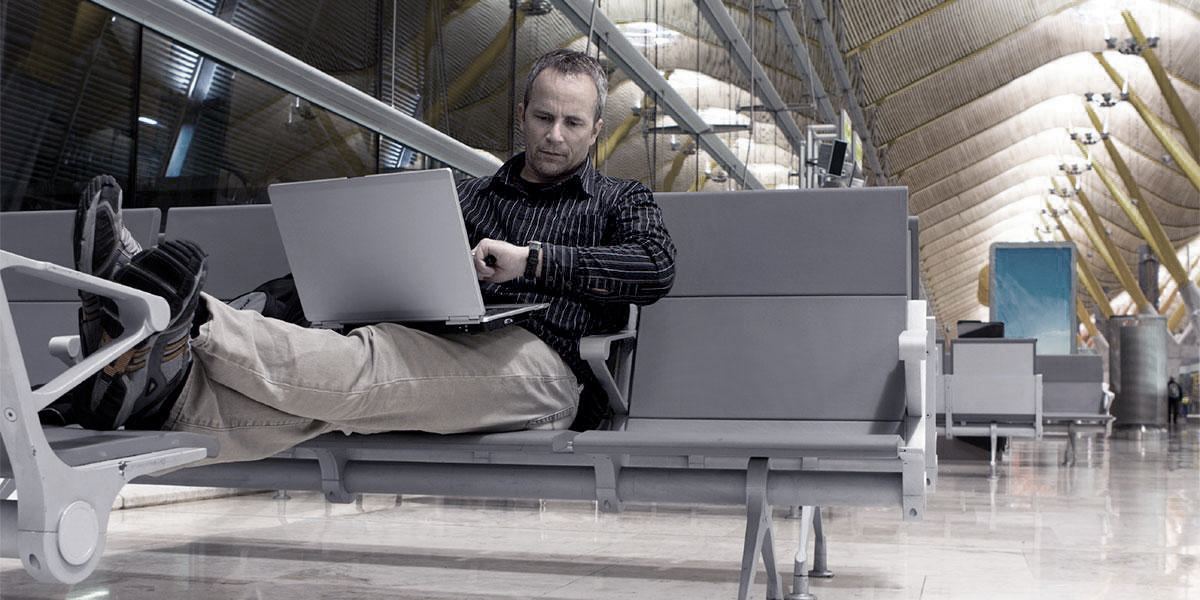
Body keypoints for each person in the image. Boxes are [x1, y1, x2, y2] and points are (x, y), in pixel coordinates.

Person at [66, 49, 676, 464]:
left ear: (596, 130)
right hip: (446, 345)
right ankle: (157, 397)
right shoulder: (466, 198)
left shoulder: (619, 199)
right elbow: (375, 267)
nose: (555, 134)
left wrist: (531, 261)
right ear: (521, 116)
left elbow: (655, 267)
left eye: (573, 122)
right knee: (328, 402)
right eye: (543, 117)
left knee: (370, 366)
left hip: (546, 370)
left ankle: (178, 317)